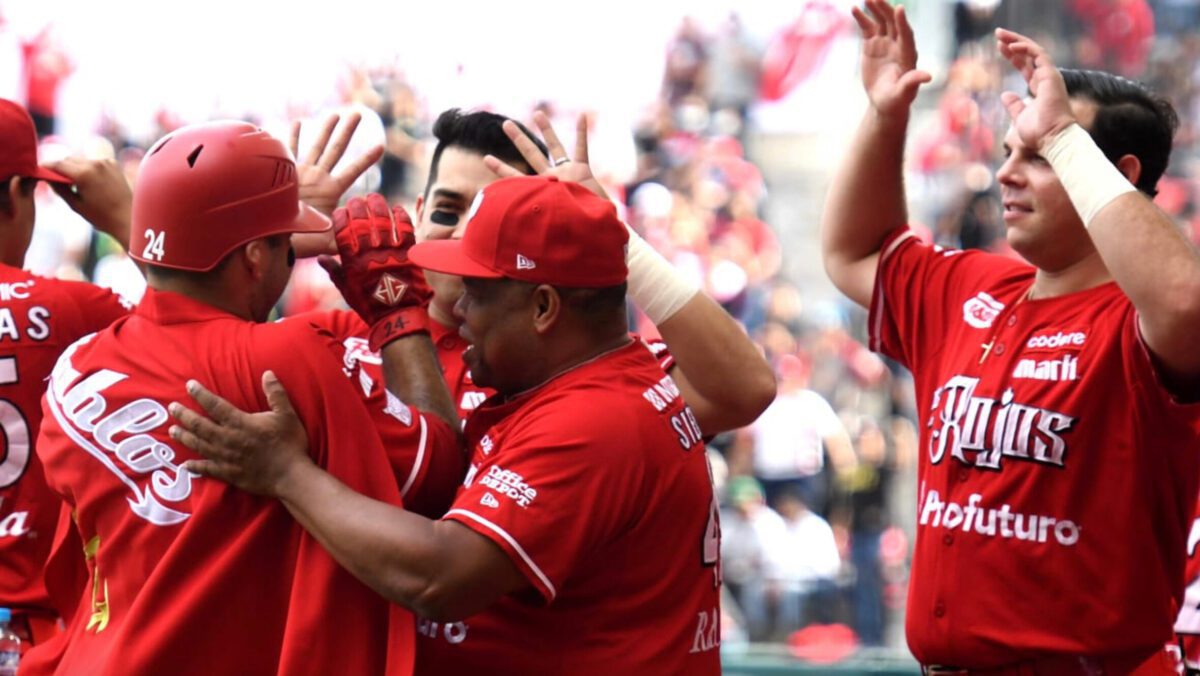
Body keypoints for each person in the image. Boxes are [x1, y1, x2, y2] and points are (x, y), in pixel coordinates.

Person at [171, 175, 723, 675]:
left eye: (477, 294)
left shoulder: (593, 420)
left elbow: (441, 578)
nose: (456, 310)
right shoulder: (595, 381)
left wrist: (286, 474)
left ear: (543, 307)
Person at [820, 1, 1200, 672]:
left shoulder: (1138, 323)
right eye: (1008, 151)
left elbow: (1182, 302)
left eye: (1041, 155)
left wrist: (1063, 134)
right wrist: (885, 117)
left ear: (1121, 174)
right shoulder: (970, 288)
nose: (1005, 174)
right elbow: (853, 255)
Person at [26, 121, 456, 675]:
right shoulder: (290, 361)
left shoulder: (75, 369)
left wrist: (252, 231)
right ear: (255, 257)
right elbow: (438, 468)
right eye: (283, 243)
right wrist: (396, 309)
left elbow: (187, 319)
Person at [301, 107, 775, 436]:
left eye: (493, 215)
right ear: (419, 212)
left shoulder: (575, 356)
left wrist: (610, 236)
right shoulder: (339, 340)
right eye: (448, 210)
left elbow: (743, 391)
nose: (468, 230)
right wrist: (275, 242)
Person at [0, 98, 133, 653]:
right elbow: (204, 330)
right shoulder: (77, 311)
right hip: (42, 641)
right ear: (16, 194)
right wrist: (130, 218)